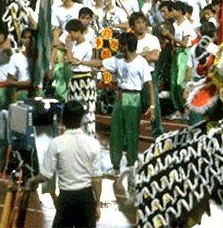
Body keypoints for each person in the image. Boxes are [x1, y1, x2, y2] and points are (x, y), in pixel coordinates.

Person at [27, 100, 102, 228]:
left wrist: (32, 180)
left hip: (66, 198)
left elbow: (45, 175)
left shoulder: (56, 143)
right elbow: (97, 179)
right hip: (86, 198)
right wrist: (97, 203)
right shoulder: (92, 143)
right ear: (82, 120)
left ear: (63, 119)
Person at [101, 32, 155, 180]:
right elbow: (100, 63)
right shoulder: (117, 59)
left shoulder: (141, 62)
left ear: (127, 46)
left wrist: (152, 106)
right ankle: (116, 166)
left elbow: (149, 84)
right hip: (120, 96)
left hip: (133, 97)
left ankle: (132, 164)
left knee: (131, 132)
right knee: (115, 131)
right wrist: (81, 62)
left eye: (121, 44)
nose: (118, 47)